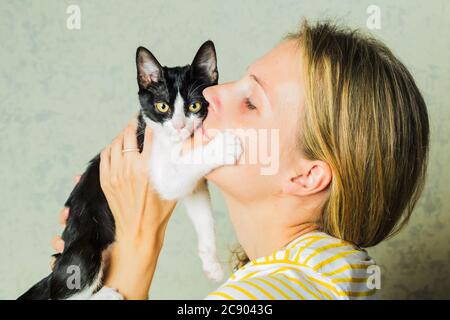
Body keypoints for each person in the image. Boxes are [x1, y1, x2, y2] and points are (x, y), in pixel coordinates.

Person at [51, 20, 429, 300]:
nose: (213, 94)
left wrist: (137, 250)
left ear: (306, 176)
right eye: (239, 81)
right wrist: (106, 268)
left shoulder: (277, 294)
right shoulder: (328, 274)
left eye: (251, 102)